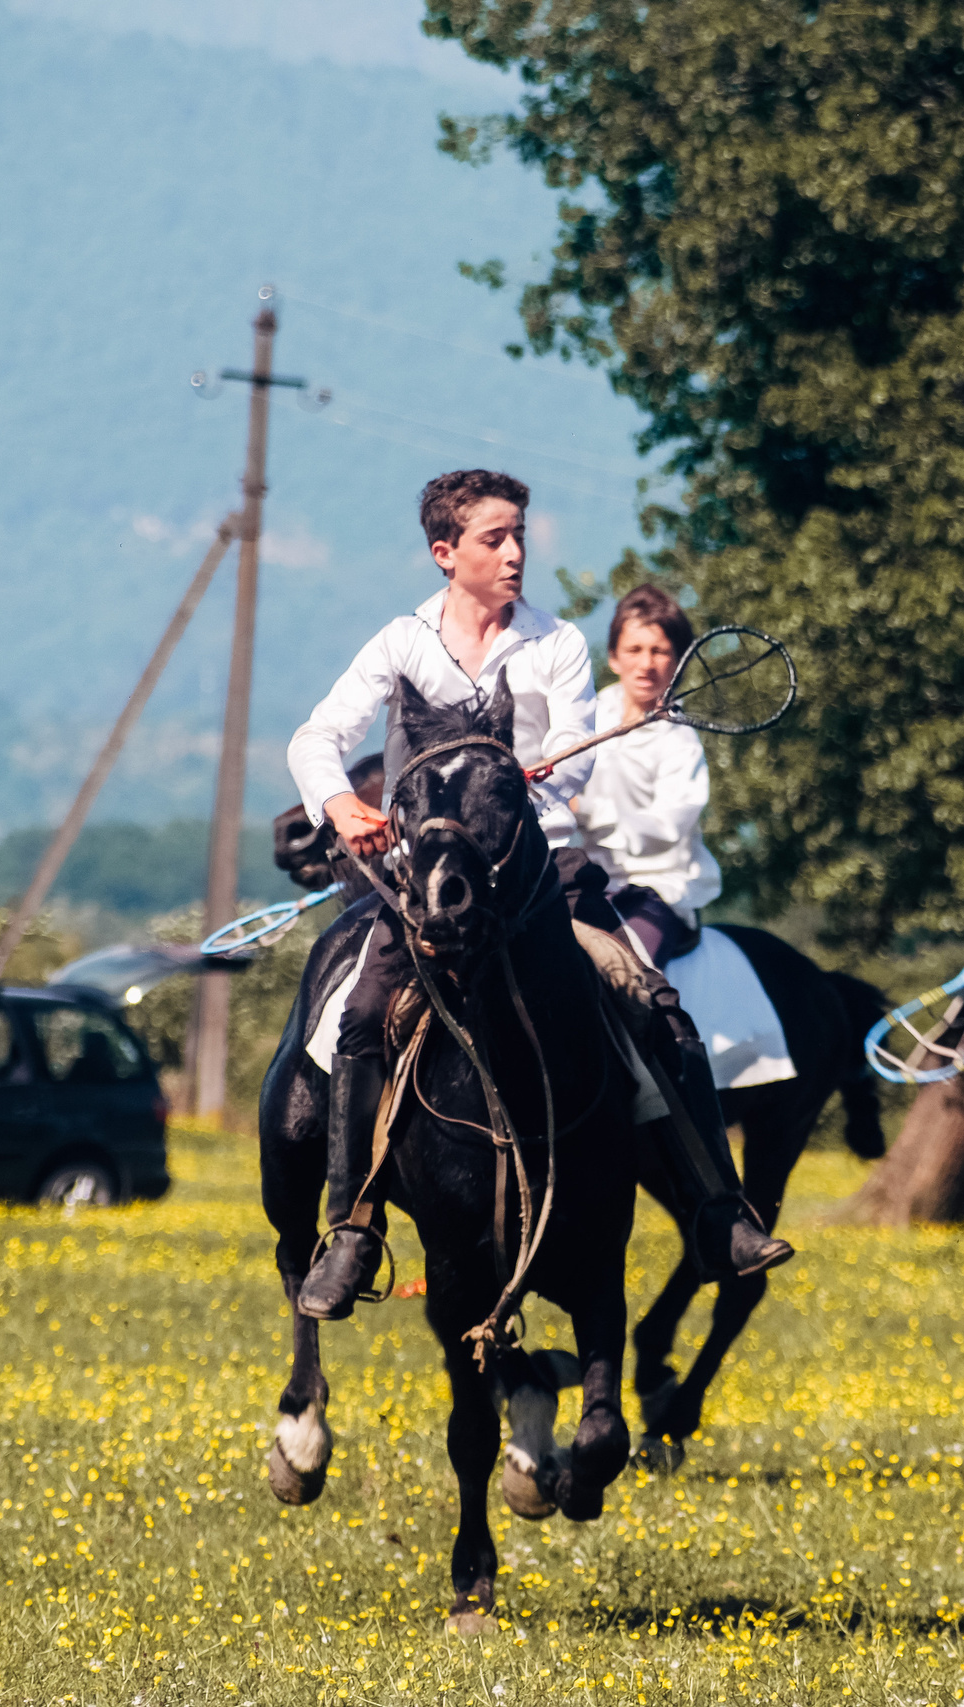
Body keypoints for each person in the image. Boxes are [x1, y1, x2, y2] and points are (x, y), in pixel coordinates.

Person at [281, 468, 787, 1321]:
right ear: (446, 554)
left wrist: (526, 777)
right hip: (427, 890)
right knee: (362, 1017)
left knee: (654, 1004)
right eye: (494, 538)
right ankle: (354, 1228)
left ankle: (717, 1209)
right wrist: (339, 802)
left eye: (519, 535)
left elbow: (575, 754)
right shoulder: (401, 643)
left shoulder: (555, 644)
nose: (516, 553)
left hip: (541, 881)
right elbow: (316, 736)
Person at [572, 584, 720, 967]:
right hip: (585, 882)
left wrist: (586, 810)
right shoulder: (583, 719)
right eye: (635, 650)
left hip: (657, 892)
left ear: (677, 661)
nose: (646, 663)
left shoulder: (681, 741)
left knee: (630, 976)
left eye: (659, 651)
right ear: (614, 657)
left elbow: (667, 829)